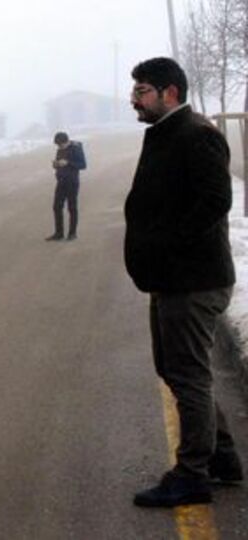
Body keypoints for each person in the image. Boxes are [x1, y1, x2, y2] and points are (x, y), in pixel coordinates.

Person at [125, 57, 241, 508]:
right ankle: (222, 458)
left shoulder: (195, 134)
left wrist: (168, 246)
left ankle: (192, 474)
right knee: (176, 370)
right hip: (172, 278)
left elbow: (216, 199)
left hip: (193, 280)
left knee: (188, 375)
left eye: (142, 91)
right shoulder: (168, 132)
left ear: (169, 92)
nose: (134, 99)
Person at [45, 132, 87, 241]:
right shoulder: (60, 149)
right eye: (58, 145)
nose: (59, 147)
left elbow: (83, 165)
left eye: (60, 145)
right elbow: (59, 163)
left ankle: (72, 233)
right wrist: (56, 164)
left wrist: (68, 163)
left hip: (72, 182)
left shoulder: (76, 148)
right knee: (57, 207)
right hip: (61, 181)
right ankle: (59, 233)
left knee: (72, 207)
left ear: (66, 142)